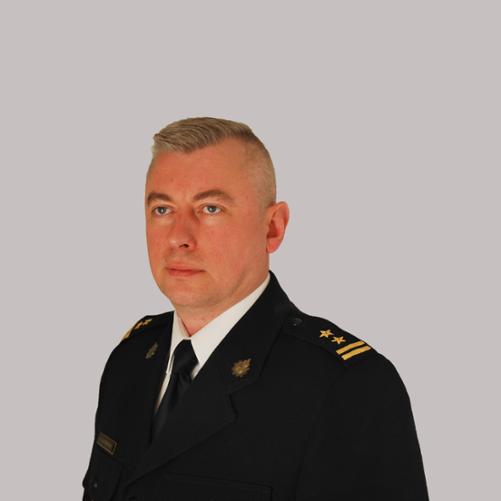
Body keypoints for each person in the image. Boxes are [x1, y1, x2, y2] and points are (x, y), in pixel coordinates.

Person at [82, 117, 429, 501]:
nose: (179, 237)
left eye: (210, 208)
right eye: (163, 209)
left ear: (272, 228)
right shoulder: (130, 362)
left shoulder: (348, 388)